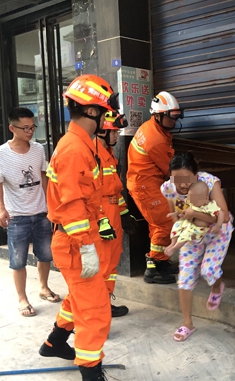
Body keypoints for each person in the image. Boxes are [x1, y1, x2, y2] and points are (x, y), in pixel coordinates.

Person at [38, 74, 128, 381]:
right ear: (91, 111)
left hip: (80, 240)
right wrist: (87, 246)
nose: (108, 117)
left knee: (82, 300)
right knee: (95, 313)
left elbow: (90, 199)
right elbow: (73, 206)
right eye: (105, 111)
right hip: (77, 243)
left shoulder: (82, 144)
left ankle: (54, 342)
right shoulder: (75, 149)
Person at [0, 107, 58, 318]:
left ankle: (44, 287)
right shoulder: (1, 154)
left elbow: (43, 176)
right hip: (17, 215)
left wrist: (50, 204)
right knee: (18, 259)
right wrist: (1, 209)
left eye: (32, 127)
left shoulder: (38, 150)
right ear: (12, 128)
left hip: (41, 212)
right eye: (25, 128)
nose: (30, 131)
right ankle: (22, 298)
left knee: (45, 254)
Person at [160, 152, 233, 341]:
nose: (182, 184)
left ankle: (217, 286)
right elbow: (175, 215)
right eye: (177, 179)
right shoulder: (168, 188)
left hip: (217, 230)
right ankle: (187, 324)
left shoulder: (208, 182)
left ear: (196, 174)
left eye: (187, 179)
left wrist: (194, 214)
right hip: (191, 232)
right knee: (184, 276)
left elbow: (223, 215)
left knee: (209, 270)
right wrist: (178, 236)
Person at [126, 91, 182, 284]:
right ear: (158, 115)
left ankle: (161, 260)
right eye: (171, 117)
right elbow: (170, 170)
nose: (174, 121)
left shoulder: (153, 128)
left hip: (146, 183)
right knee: (164, 223)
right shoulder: (155, 139)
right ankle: (154, 267)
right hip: (144, 186)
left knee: (159, 223)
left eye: (176, 116)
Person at [95, 114, 134, 318]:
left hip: (113, 214)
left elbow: (115, 192)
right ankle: (97, 311)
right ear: (102, 131)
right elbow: (90, 194)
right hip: (102, 215)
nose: (117, 135)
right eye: (114, 132)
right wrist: (101, 220)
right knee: (102, 264)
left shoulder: (109, 155)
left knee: (111, 263)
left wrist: (125, 213)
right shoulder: (93, 155)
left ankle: (105, 303)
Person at [164, 181, 225, 257]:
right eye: (191, 199)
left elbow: (221, 213)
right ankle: (172, 243)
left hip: (197, 229)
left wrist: (218, 225)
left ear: (206, 198)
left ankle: (174, 248)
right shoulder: (191, 202)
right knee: (177, 225)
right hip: (188, 223)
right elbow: (184, 209)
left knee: (185, 235)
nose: (192, 203)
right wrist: (176, 213)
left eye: (195, 201)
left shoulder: (210, 206)